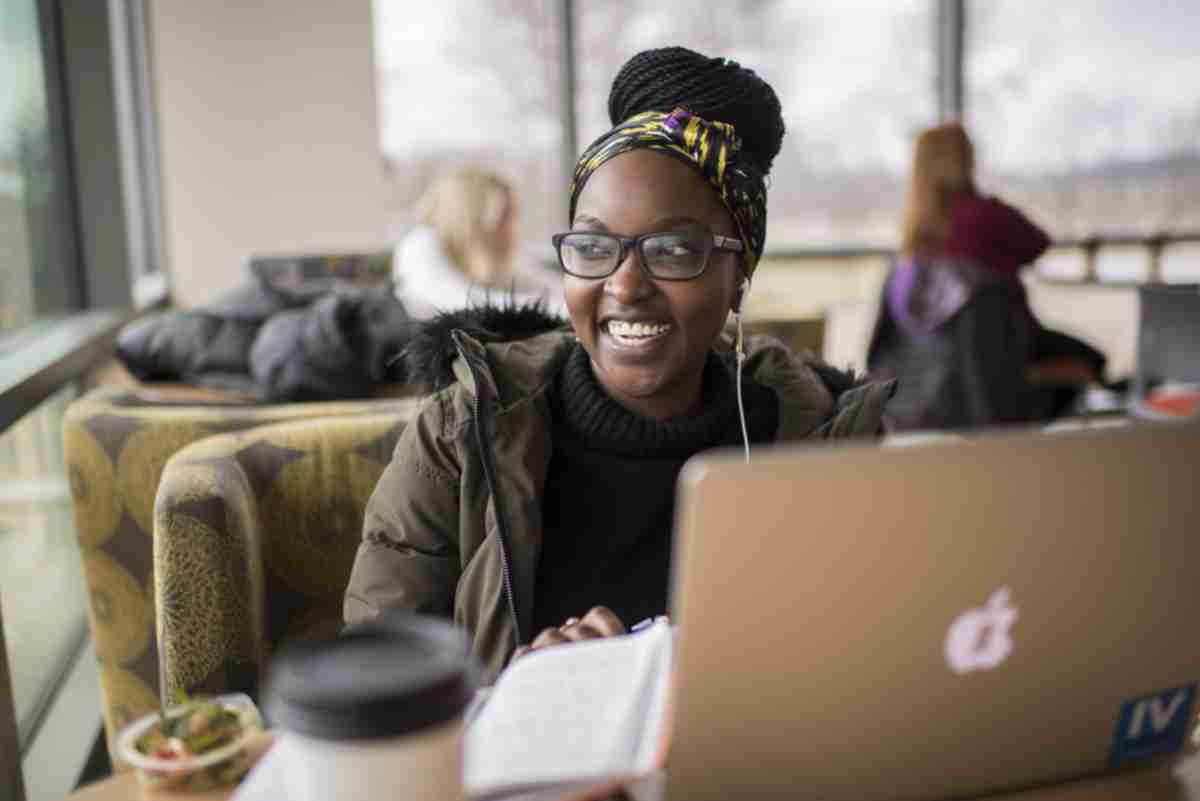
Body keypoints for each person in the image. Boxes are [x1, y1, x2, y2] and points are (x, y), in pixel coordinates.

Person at [344, 47, 896, 681]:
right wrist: (526, 695)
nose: (626, 285)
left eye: (672, 249)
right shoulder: (461, 434)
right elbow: (379, 687)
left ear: (738, 277)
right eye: (595, 245)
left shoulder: (823, 441)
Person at [867, 122, 1106, 430]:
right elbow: (1039, 243)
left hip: (931, 383)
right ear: (966, 161)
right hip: (1001, 357)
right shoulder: (986, 214)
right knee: (1093, 360)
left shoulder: (912, 237)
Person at [393, 166, 565, 319]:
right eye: (503, 216)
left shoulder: (489, 257)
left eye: (512, 216)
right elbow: (463, 302)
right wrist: (559, 307)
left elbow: (544, 282)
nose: (511, 227)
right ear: (472, 217)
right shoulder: (419, 244)